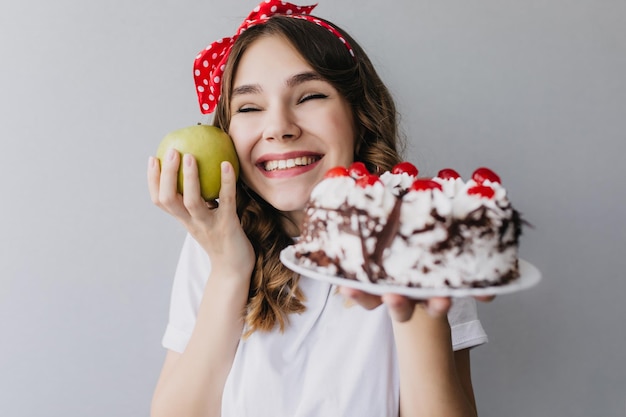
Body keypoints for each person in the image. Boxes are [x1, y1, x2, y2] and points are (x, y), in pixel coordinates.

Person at [147, 2, 490, 416]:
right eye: (250, 107)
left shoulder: (424, 234)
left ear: (359, 114)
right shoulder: (213, 244)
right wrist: (229, 268)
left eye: (309, 96)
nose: (279, 127)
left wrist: (414, 290)